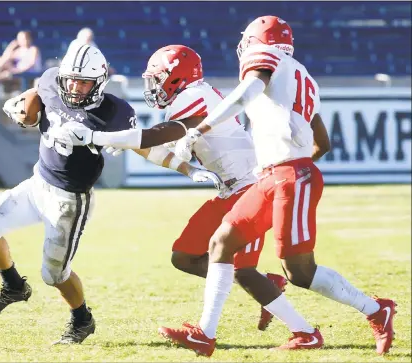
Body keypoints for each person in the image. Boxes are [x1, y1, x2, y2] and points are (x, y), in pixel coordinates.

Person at [155, 16, 397, 356]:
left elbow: (247, 92)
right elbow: (322, 142)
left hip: (288, 177)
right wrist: (293, 156)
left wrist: (201, 129)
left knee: (299, 270)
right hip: (273, 175)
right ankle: (204, 335)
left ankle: (376, 310)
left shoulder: (265, 61)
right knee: (222, 243)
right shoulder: (301, 77)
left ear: (256, 42)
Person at [0, 44, 215, 345]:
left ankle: (82, 319)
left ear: (99, 82)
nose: (74, 87)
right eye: (70, 79)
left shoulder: (113, 112)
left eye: (83, 81)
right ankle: (14, 286)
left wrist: (188, 169)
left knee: (54, 275)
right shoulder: (50, 81)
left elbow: (146, 148)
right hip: (37, 184)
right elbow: (33, 99)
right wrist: (18, 105)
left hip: (70, 200)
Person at [53, 44, 291, 332]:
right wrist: (122, 141)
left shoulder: (192, 95)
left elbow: (157, 136)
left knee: (242, 269)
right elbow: (166, 149)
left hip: (250, 187)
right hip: (229, 190)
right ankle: (267, 284)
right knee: (184, 256)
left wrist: (101, 136)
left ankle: (299, 329)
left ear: (175, 77)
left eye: (157, 78)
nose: (152, 85)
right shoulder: (191, 97)